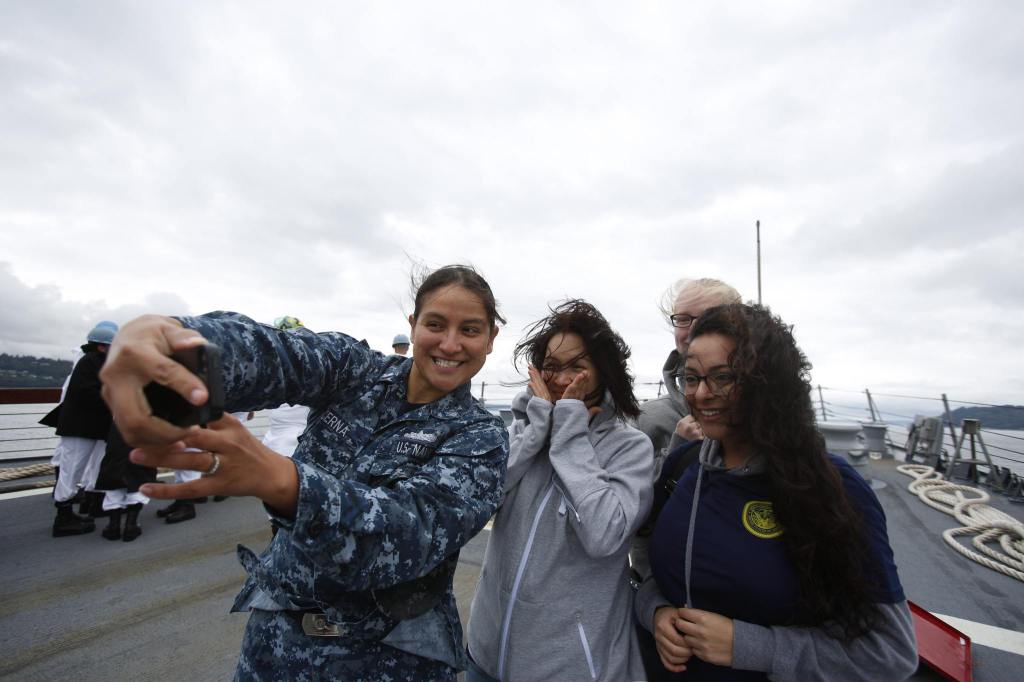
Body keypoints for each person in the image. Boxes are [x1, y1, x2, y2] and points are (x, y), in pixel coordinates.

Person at [99, 264, 509, 681]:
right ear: (413, 324)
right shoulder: (355, 369)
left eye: (471, 330)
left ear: (491, 339)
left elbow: (407, 535)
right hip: (276, 645)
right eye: (435, 324)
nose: (450, 343)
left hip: (392, 661)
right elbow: (278, 353)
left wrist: (280, 480)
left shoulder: (481, 435)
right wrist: (171, 337)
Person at [634, 304, 918, 681]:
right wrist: (654, 611)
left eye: (723, 377)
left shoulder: (830, 487)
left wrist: (750, 646)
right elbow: (654, 571)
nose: (701, 393)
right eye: (691, 377)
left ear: (766, 381)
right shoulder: (684, 467)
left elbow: (890, 651)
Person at [466, 300, 653, 682]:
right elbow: (477, 502)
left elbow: (604, 535)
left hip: (572, 668)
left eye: (577, 367)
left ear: (603, 372)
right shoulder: (521, 431)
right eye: (551, 366)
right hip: (485, 655)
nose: (562, 378)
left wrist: (568, 433)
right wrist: (537, 430)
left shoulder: (629, 447)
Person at [631, 278, 741, 582]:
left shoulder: (772, 424)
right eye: (682, 319)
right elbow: (628, 519)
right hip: (660, 600)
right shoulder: (649, 419)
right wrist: (678, 453)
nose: (692, 329)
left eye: (708, 316)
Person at [43, 321, 118, 537]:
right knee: (72, 468)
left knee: (93, 465)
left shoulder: (97, 362)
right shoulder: (89, 363)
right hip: (80, 428)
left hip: (93, 427)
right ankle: (63, 517)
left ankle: (92, 503)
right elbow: (87, 394)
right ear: (102, 346)